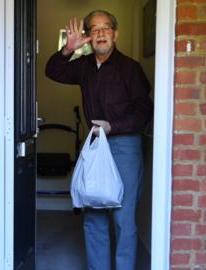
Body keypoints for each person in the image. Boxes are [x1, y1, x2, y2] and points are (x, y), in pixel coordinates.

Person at [45, 9, 153, 270]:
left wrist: (112, 126)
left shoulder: (131, 68)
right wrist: (67, 50)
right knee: (93, 216)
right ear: (89, 37)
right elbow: (53, 71)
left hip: (125, 146)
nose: (101, 33)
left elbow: (144, 111)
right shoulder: (83, 66)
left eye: (106, 28)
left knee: (123, 219)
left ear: (115, 34)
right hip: (95, 146)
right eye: (94, 29)